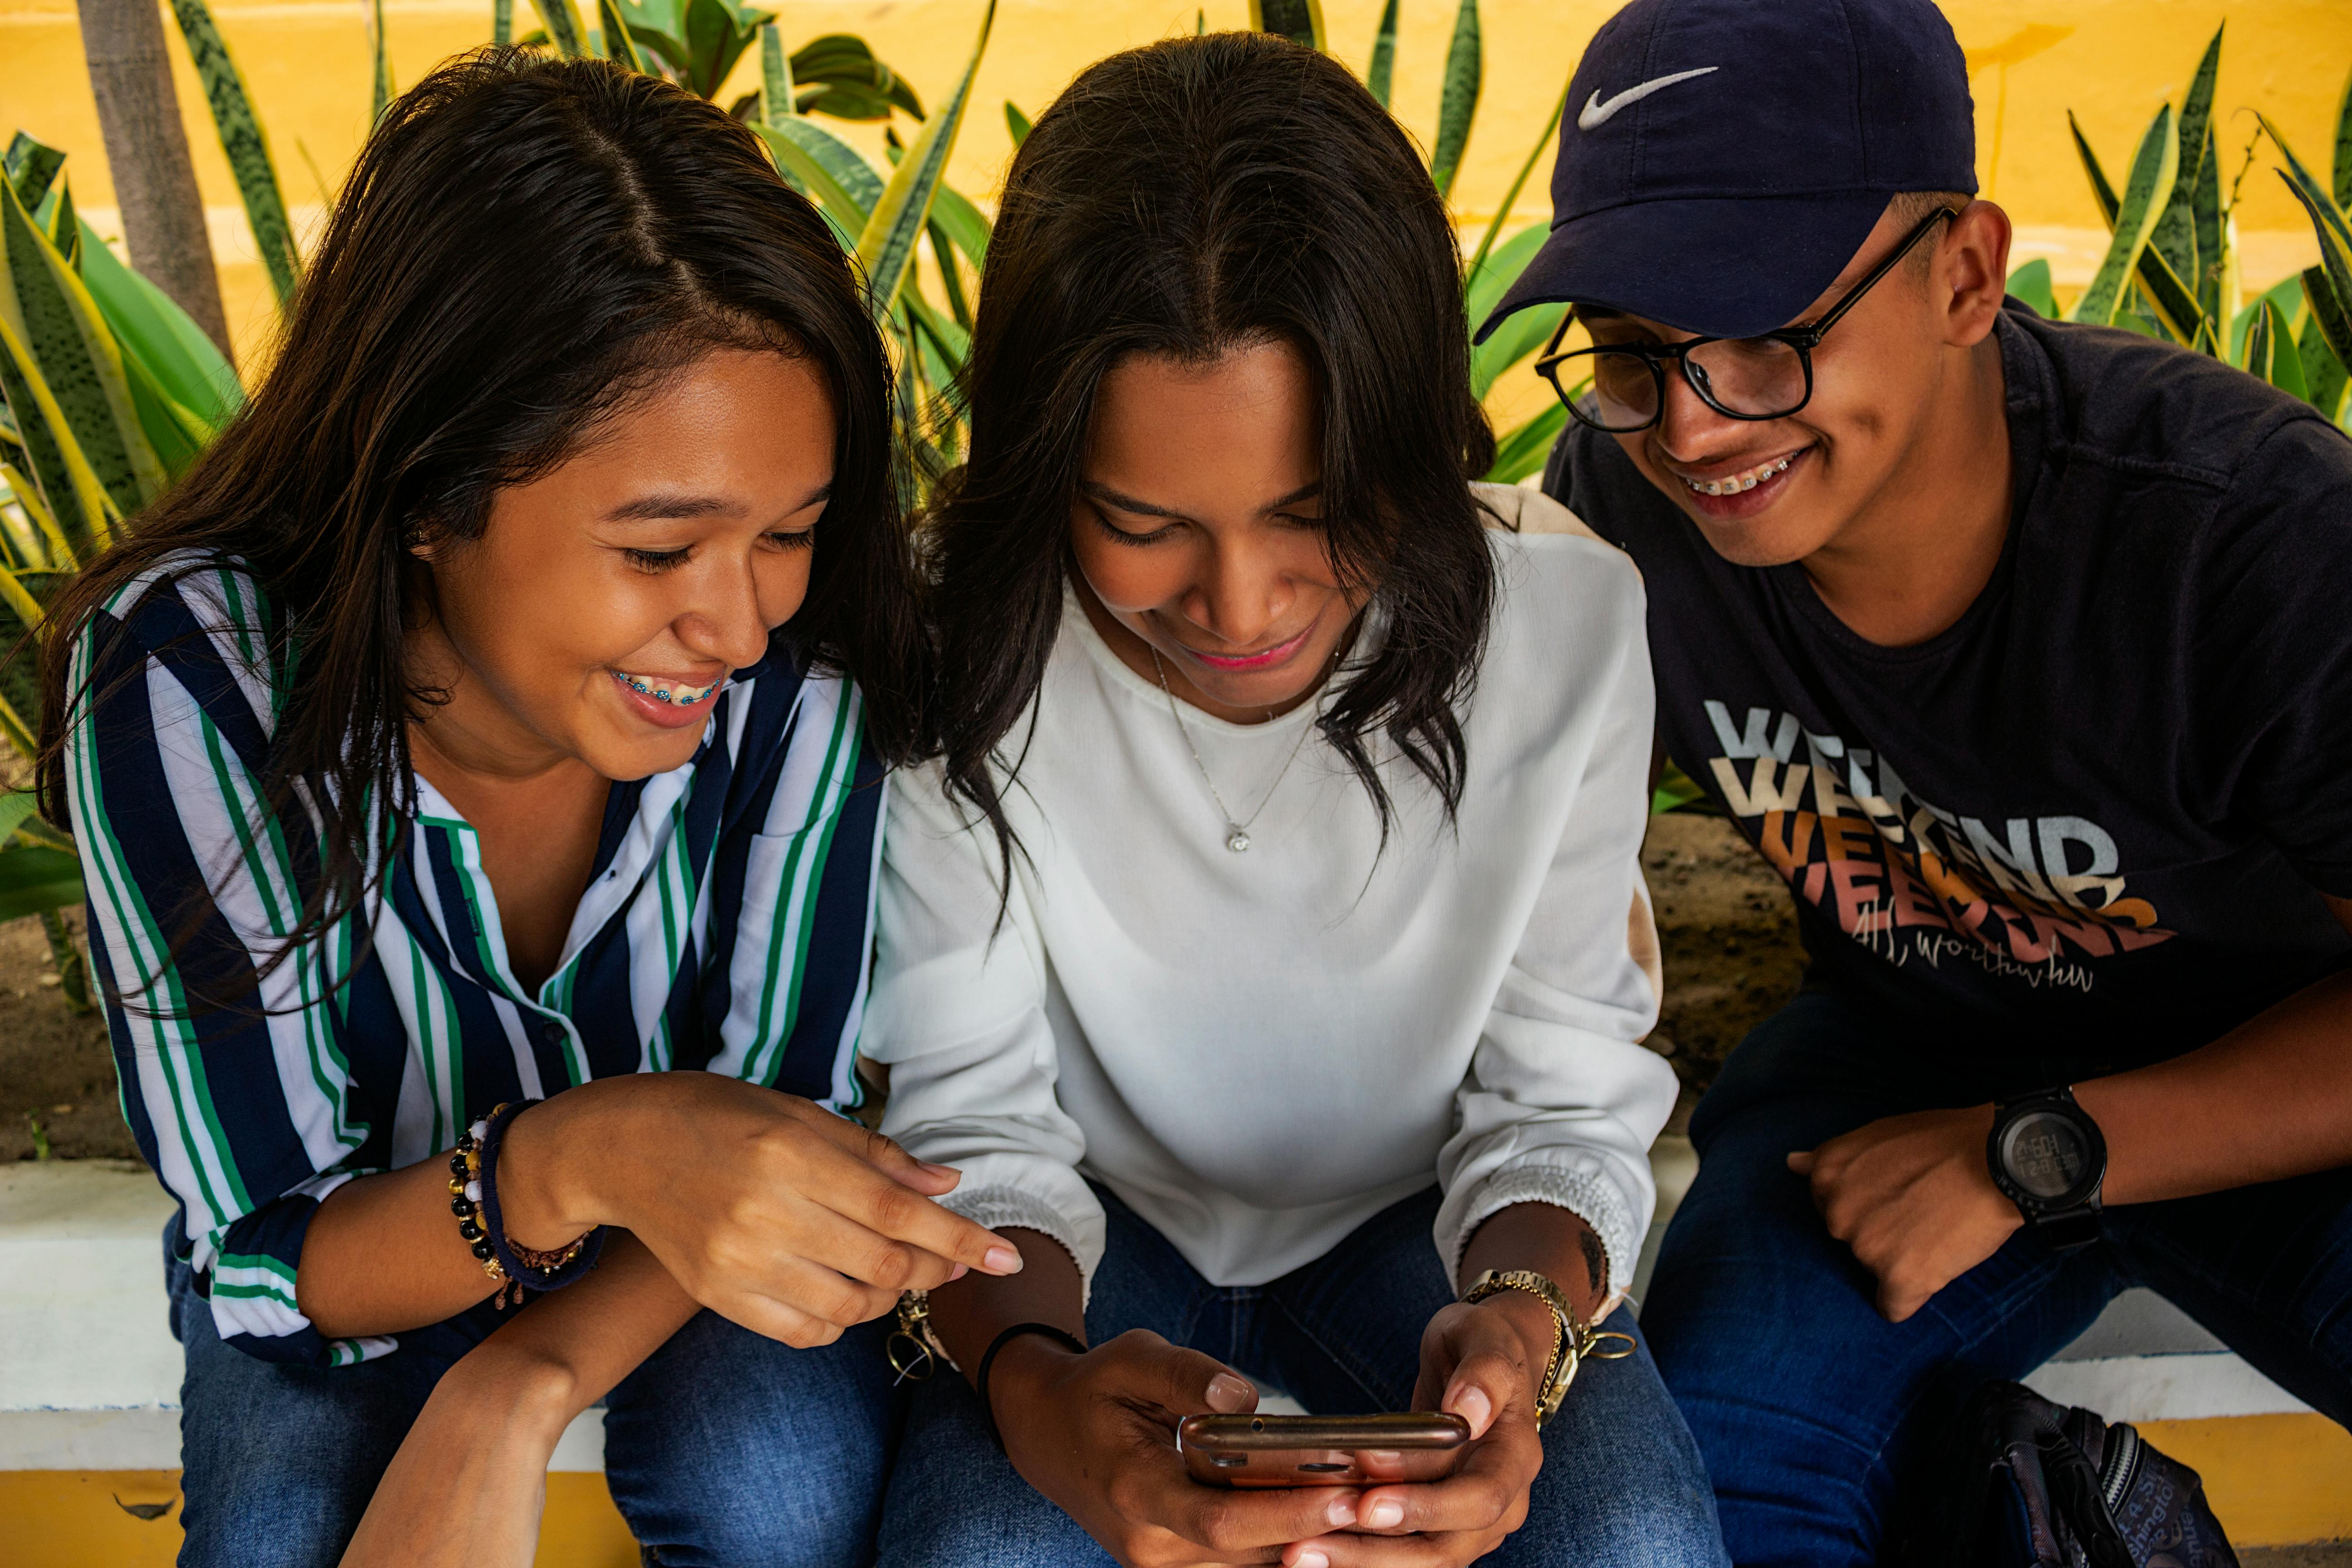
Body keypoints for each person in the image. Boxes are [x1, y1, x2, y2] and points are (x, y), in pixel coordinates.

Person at [36, 49, 1022, 1568]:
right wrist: (581, 1155)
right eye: (657, 552)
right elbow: (268, 1255)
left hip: (673, 1263)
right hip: (356, 1252)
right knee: (281, 1531)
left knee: (774, 1496)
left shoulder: (802, 670)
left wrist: (521, 1380)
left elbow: (784, 1131)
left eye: (793, 534)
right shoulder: (191, 681)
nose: (739, 628)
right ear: (431, 499)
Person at [1475, 0, 2352, 1562]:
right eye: (1630, 345)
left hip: (2288, 1096)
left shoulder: (2253, 542)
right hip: (1903, 1063)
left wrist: (2044, 1147)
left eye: (1764, 334)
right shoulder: (1620, 509)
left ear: (1964, 272)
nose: (1691, 421)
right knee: (1713, 1508)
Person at [860, 31, 1727, 1568]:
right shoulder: (951, 632)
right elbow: (972, 1119)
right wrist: (1038, 1387)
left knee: (1635, 1537)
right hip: (1070, 1250)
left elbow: (1558, 1088)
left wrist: (1518, 1338)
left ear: (1416, 439)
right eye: (1141, 524)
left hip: (1428, 1233)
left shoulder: (1567, 626)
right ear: (1047, 473)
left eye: (1319, 509)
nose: (1240, 604)